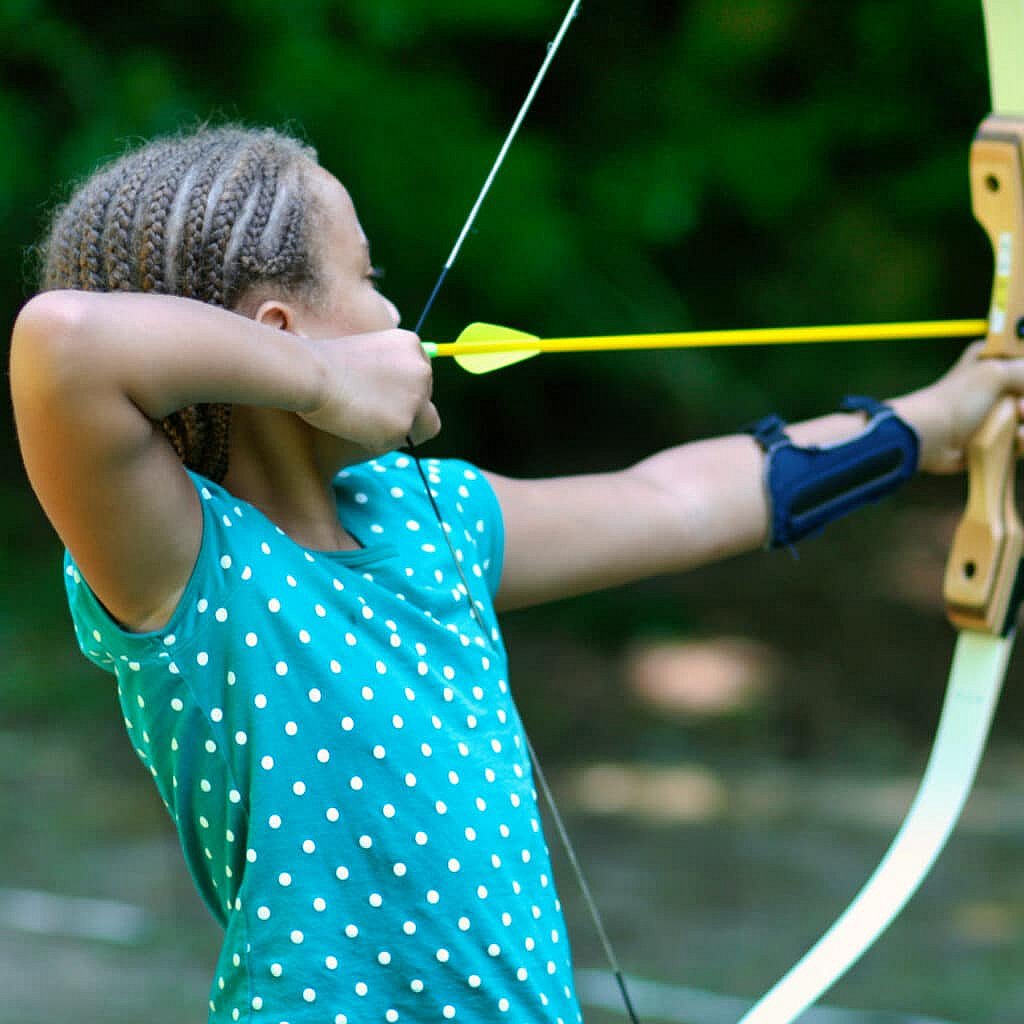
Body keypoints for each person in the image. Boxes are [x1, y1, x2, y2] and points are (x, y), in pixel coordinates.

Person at [9, 124, 1024, 1024]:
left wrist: (923, 427)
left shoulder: (430, 518)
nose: (398, 312)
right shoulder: (187, 562)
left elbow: (677, 499)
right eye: (369, 280)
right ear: (280, 337)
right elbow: (61, 344)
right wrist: (330, 380)